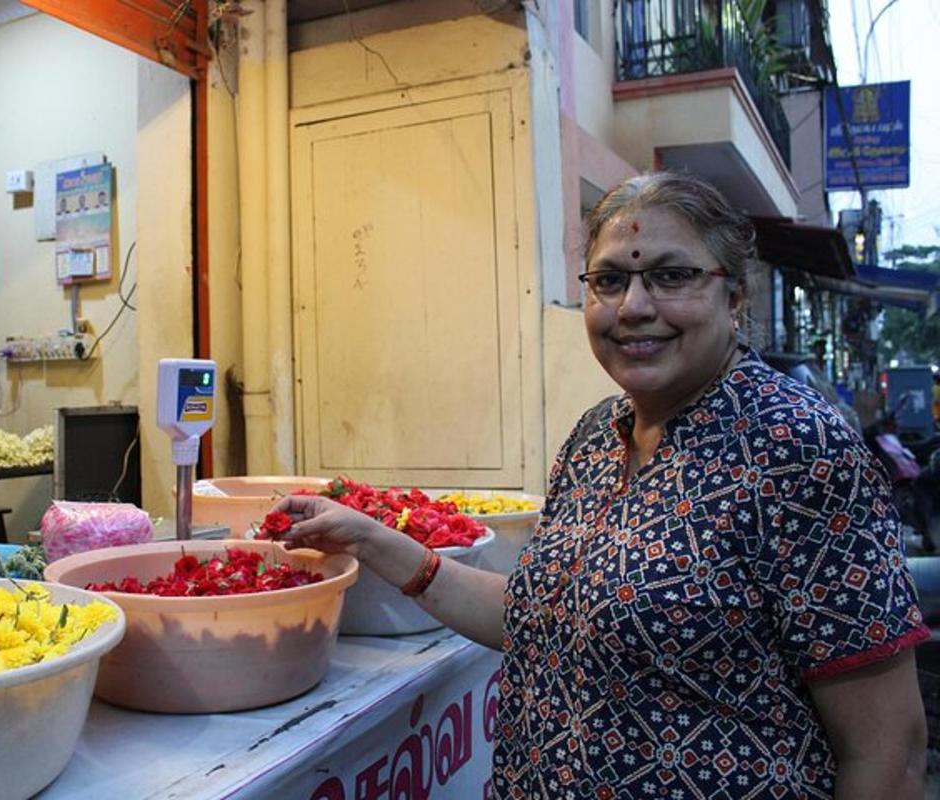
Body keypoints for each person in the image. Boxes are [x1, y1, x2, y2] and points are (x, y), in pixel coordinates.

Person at [271, 172, 929, 798]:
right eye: (609, 280)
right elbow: (544, 617)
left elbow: (887, 749)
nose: (634, 307)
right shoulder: (596, 436)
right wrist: (371, 538)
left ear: (734, 297)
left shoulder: (797, 450)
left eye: (672, 276)